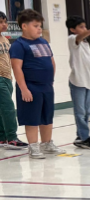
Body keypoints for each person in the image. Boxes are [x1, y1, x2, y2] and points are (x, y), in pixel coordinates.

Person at [10, 9, 62, 159]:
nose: (39, 29)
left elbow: (51, 61)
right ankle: (33, 147)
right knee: (32, 118)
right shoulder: (19, 45)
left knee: (47, 116)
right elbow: (17, 68)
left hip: (46, 86)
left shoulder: (43, 42)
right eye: (36, 26)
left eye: (40, 26)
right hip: (30, 87)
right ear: (24, 26)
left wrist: (50, 80)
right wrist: (24, 89)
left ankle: (47, 143)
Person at [66, 16, 90, 150]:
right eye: (81, 27)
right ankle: (84, 137)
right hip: (77, 82)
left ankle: (80, 137)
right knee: (80, 112)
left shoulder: (86, 44)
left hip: (88, 82)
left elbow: (88, 66)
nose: (85, 29)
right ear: (72, 29)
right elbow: (79, 37)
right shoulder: (72, 40)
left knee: (88, 112)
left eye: (85, 26)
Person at [0, 11, 27, 150]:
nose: (4, 25)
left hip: (7, 77)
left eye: (5, 22)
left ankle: (2, 137)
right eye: (0, 22)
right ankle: (12, 137)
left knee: (2, 109)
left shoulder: (4, 39)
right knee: (8, 108)